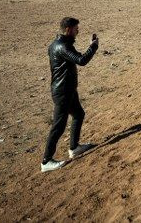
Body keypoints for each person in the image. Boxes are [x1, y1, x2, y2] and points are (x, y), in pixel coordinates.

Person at [41, 17, 99, 172]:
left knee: (79, 114)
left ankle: (74, 147)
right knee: (58, 127)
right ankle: (46, 162)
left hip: (68, 90)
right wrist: (93, 47)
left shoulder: (57, 44)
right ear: (68, 30)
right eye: (75, 28)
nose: (77, 31)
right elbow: (81, 60)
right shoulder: (62, 47)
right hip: (63, 92)